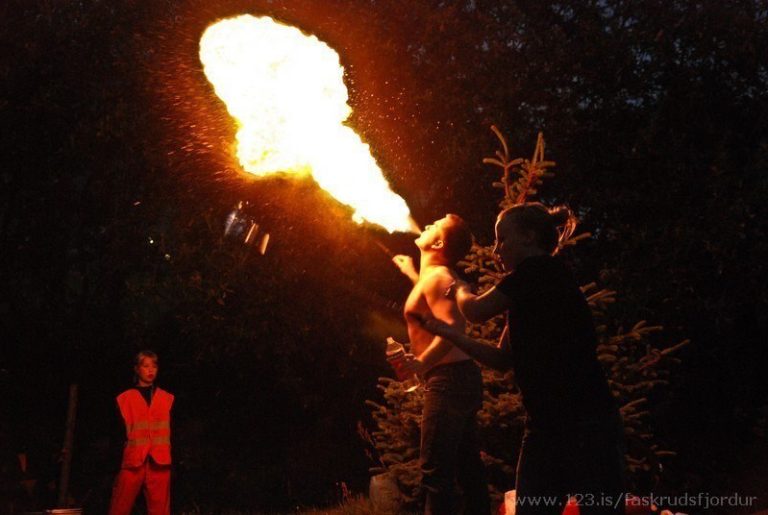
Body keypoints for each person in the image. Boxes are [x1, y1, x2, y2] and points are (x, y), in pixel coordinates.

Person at [410, 203, 626, 515]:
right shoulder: (530, 290)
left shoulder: (538, 271)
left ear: (528, 237)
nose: (496, 249)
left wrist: (459, 289)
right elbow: (501, 359)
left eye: (503, 239)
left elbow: (475, 311)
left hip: (585, 424)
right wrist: (451, 334)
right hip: (545, 425)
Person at [390, 214, 490, 515]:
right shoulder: (433, 277)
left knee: (436, 473)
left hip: (449, 380)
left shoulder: (439, 278)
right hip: (459, 378)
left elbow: (453, 326)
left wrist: (422, 362)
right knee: (468, 470)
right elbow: (430, 301)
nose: (427, 225)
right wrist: (411, 273)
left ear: (438, 243)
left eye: (434, 225)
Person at [108, 350, 173, 515]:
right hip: (132, 461)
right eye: (146, 366)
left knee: (160, 511)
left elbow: (175, 432)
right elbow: (116, 434)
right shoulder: (124, 398)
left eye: (154, 366)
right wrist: (114, 465)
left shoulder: (167, 398)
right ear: (137, 369)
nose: (150, 370)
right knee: (119, 508)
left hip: (160, 462)